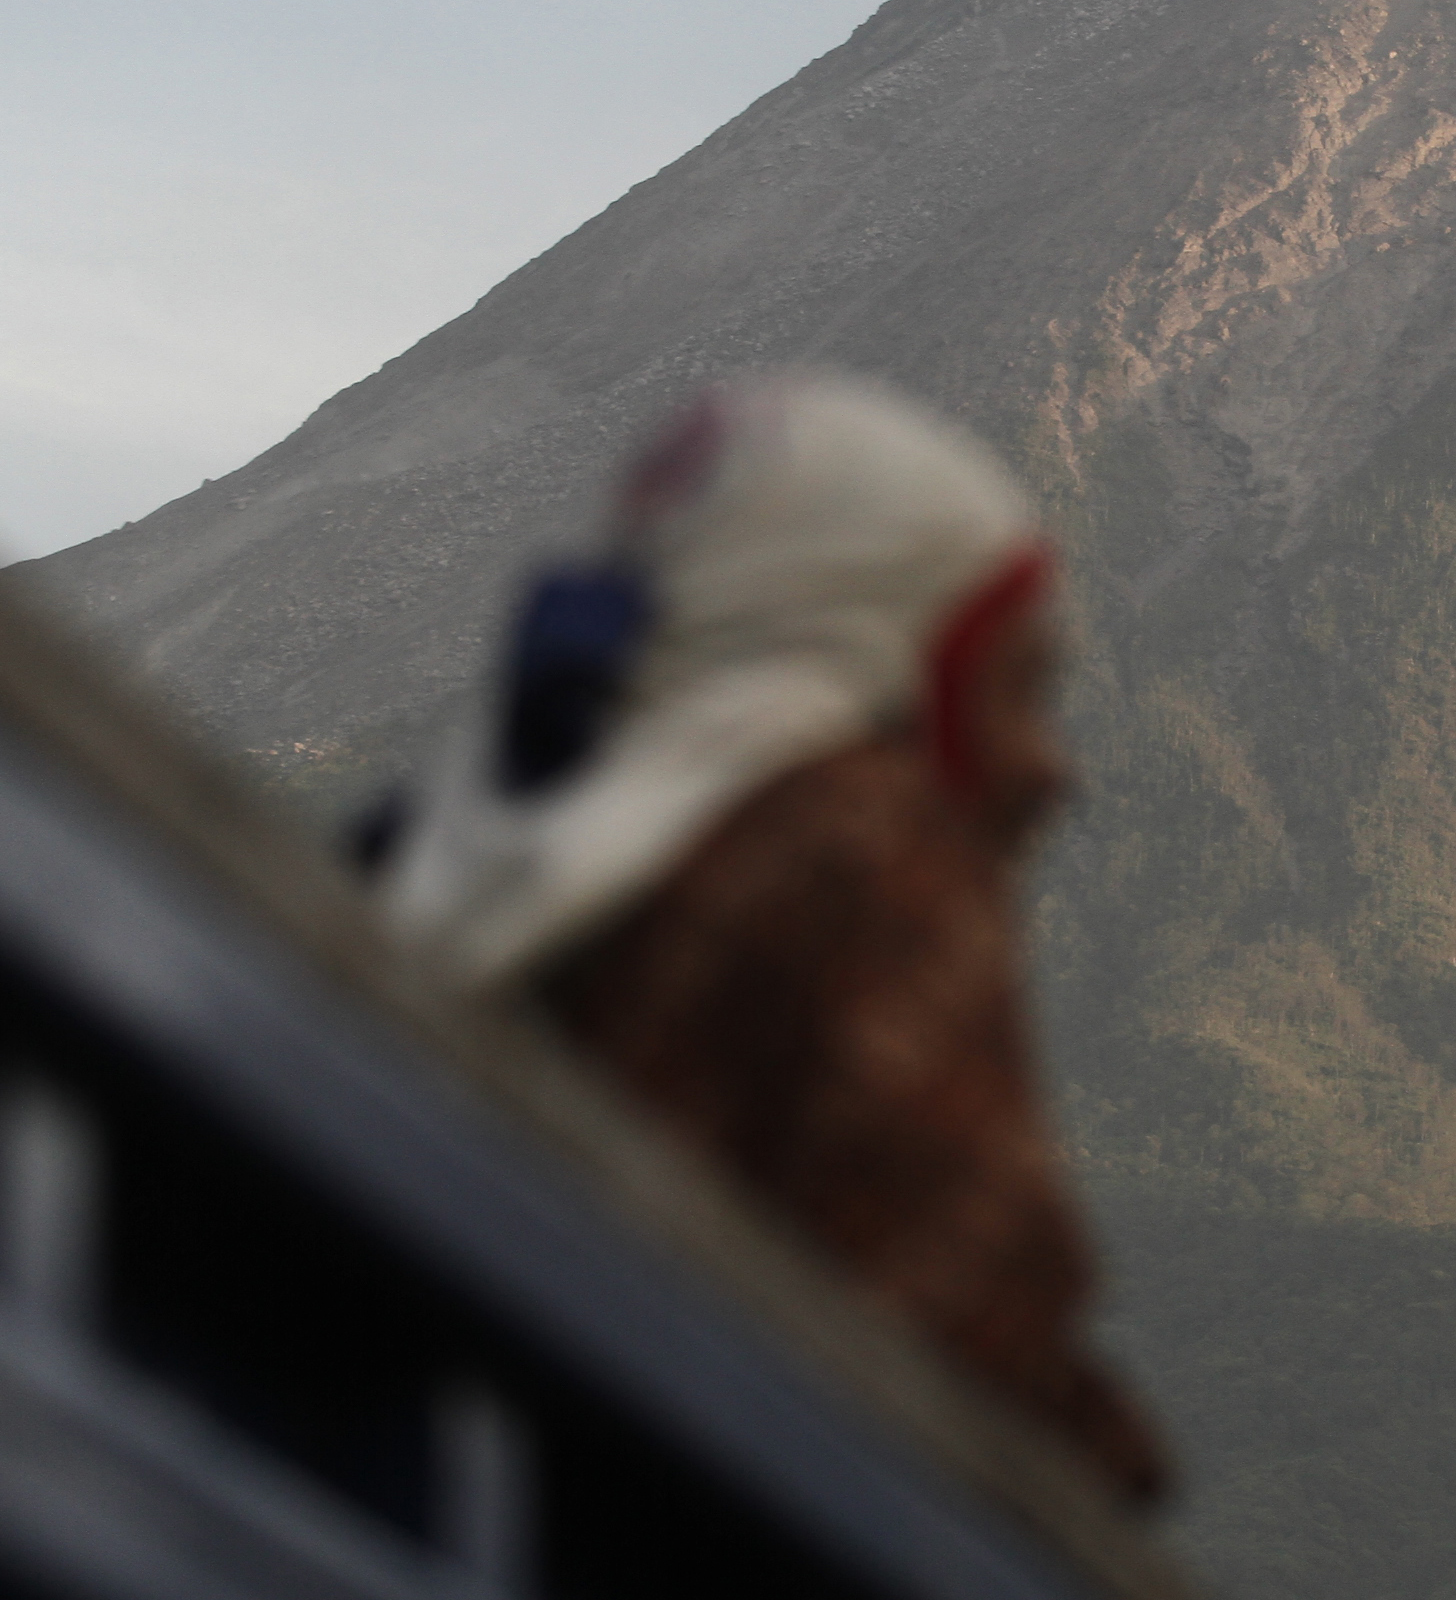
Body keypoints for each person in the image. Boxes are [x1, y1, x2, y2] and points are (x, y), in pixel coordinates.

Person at [374, 374, 1167, 1503]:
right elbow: (983, 1354)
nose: (1053, 766)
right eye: (1020, 687)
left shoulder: (466, 856)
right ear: (895, 656)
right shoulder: (857, 857)